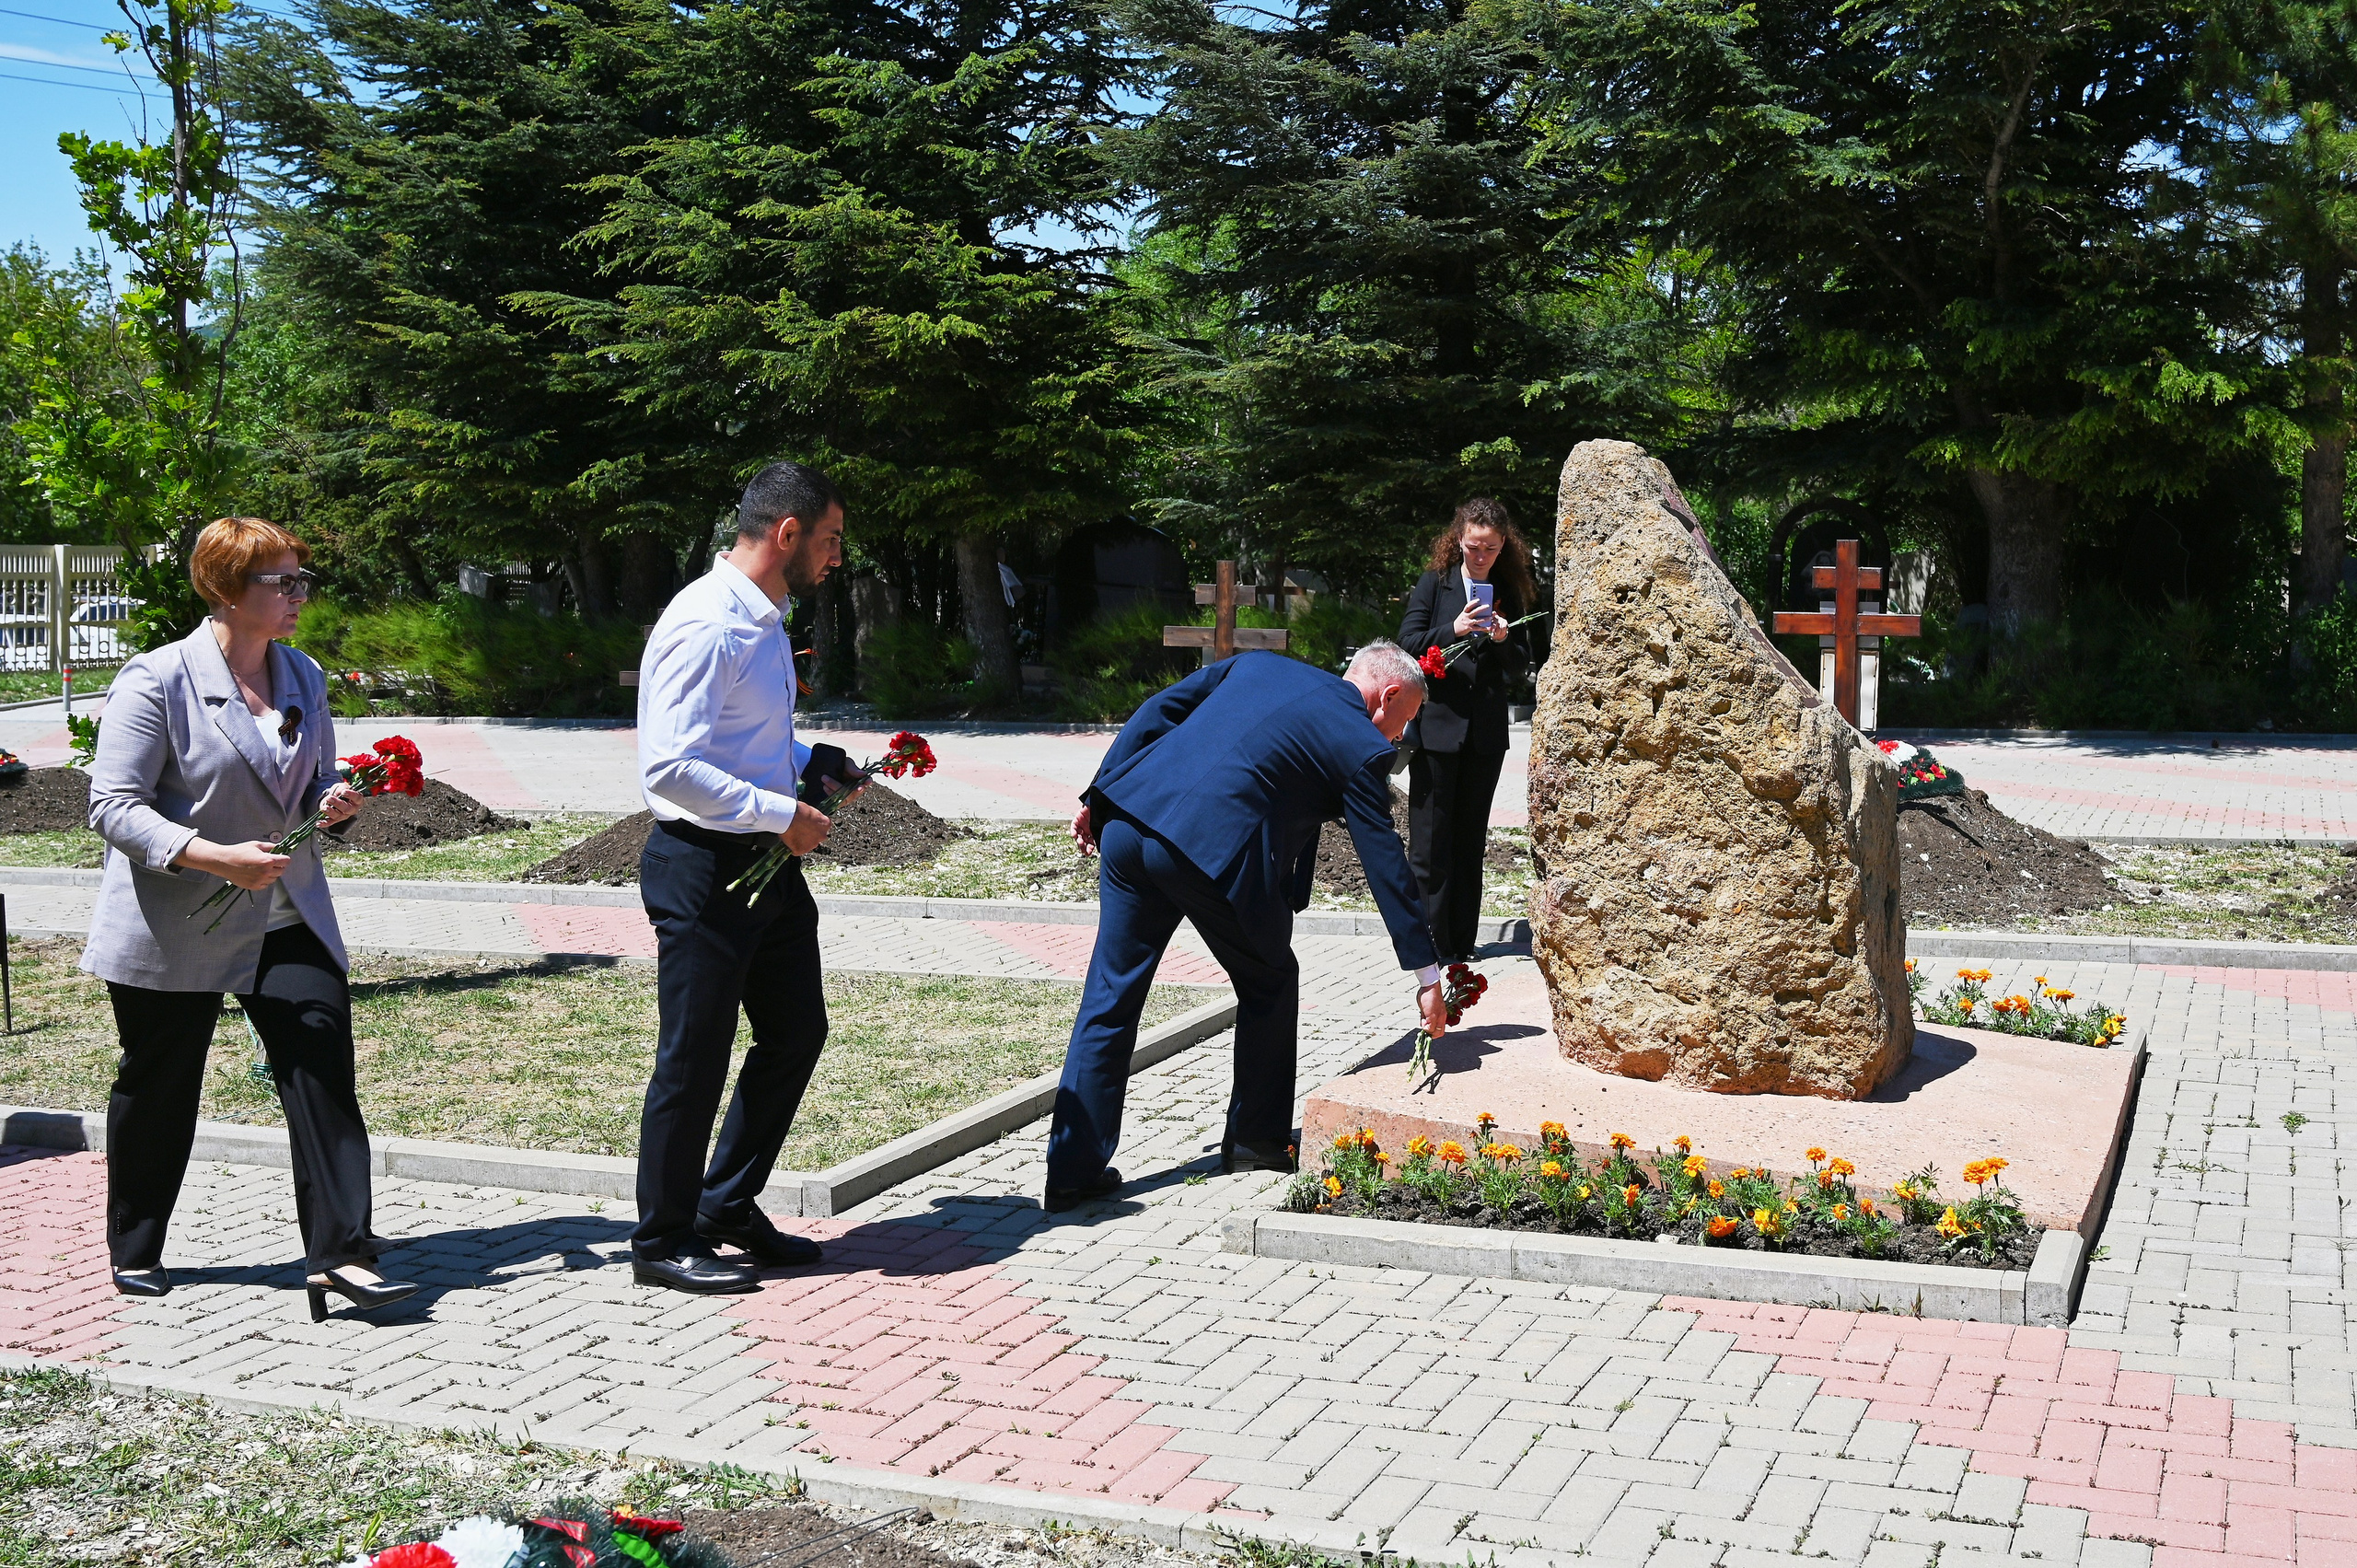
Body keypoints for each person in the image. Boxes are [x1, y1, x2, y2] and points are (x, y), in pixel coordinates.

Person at [84, 516, 416, 1321]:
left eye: (302, 578)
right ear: (228, 589)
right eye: (283, 581)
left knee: (322, 1071)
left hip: (285, 912)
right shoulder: (155, 680)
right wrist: (212, 853)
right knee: (162, 1085)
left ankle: (340, 1254)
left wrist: (330, 801)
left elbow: (310, 779)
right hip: (179, 920)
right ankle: (137, 1246)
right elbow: (112, 806)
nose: (300, 594)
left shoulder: (302, 674)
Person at [1045, 643, 1447, 1212]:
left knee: (1111, 994)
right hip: (1203, 853)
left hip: (1129, 823)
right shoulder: (1360, 743)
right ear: (1389, 696)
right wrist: (1427, 973)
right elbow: (1385, 862)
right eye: (1402, 724)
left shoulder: (1261, 664)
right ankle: (1258, 1140)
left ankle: (1070, 1170)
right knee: (1270, 981)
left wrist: (1098, 791)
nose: (1397, 741)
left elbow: (1158, 709)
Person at [631, 459, 859, 1294]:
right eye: (830, 539)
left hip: (764, 868)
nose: (838, 556)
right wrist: (782, 815)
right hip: (703, 865)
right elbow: (671, 768)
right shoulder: (707, 623)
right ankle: (659, 1240)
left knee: (797, 1029)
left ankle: (724, 1202)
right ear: (787, 533)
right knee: (693, 1053)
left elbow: (745, 740)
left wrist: (811, 761)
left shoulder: (764, 616)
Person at [1397, 498, 1536, 962]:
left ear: (1503, 547)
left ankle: (1459, 945)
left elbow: (1521, 664)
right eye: (1474, 546)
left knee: (1470, 839)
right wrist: (1451, 629)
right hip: (1437, 732)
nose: (1481, 556)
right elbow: (1408, 644)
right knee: (1431, 843)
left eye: (1491, 549)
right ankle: (1428, 946)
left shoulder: (1508, 591)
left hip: (1484, 737)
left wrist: (1501, 639)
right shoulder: (1434, 584)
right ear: (1459, 540)